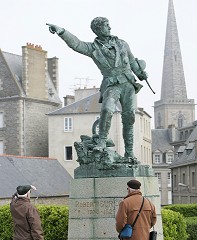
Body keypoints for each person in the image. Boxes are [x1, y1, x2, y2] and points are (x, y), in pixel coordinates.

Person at [46, 17, 148, 159]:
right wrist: (61, 31)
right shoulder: (93, 48)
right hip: (111, 84)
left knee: (129, 116)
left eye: (109, 25)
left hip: (128, 83)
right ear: (98, 29)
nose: (110, 28)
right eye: (106, 26)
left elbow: (132, 62)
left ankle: (129, 152)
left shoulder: (122, 44)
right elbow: (76, 44)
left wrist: (141, 73)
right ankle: (101, 141)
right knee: (107, 109)